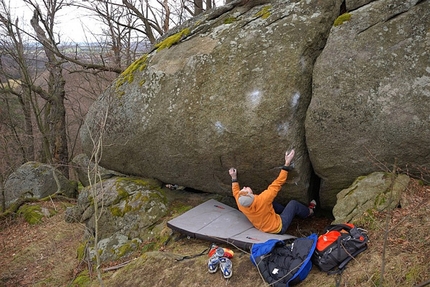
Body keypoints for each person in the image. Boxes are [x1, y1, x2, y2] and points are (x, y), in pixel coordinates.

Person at [228, 149, 316, 234]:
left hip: (263, 227)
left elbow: (235, 192)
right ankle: (309, 212)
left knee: (272, 203)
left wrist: (233, 178)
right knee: (293, 204)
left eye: (243, 190)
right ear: (251, 195)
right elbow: (277, 183)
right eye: (246, 190)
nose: (244, 187)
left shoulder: (241, 203)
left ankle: (287, 213)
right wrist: (287, 163)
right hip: (279, 227)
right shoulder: (263, 199)